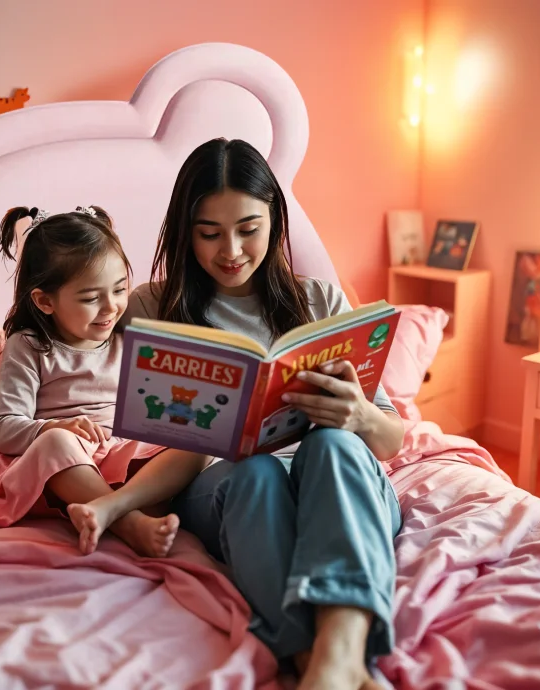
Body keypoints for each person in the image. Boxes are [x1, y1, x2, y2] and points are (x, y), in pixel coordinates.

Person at [121, 139, 404, 690]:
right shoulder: (151, 307)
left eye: (248, 228)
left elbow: (391, 442)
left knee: (335, 443)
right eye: (209, 233)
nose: (230, 249)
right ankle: (325, 662)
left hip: (337, 483)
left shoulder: (318, 300)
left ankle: (333, 655)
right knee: (255, 470)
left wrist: (359, 415)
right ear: (184, 230)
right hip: (228, 487)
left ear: (276, 219)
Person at [0, 205, 209, 557]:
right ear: (45, 301)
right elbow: (2, 427)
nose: (111, 307)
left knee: (200, 440)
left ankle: (114, 507)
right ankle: (130, 524)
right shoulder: (29, 347)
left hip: (122, 455)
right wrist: (51, 427)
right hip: (65, 467)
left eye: (120, 290)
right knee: (58, 443)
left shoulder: (128, 340)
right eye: (91, 298)